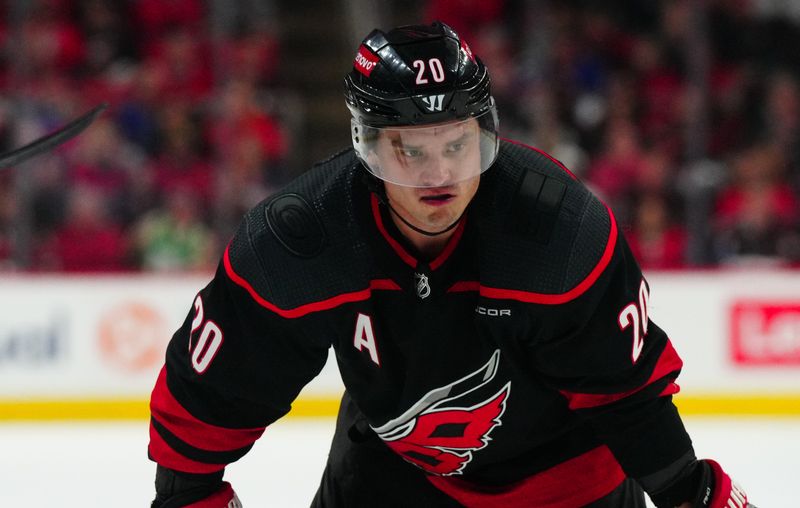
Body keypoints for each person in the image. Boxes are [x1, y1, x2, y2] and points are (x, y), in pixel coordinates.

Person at [148, 22, 753, 508]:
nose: (439, 176)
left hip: (565, 483)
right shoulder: (302, 240)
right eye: (411, 151)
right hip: (393, 466)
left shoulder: (557, 231)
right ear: (368, 144)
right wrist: (187, 494)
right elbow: (215, 385)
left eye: (456, 145)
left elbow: (628, 396)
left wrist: (690, 490)